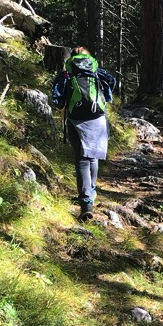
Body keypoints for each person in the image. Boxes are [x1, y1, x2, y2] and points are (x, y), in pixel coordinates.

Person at [51, 47, 117, 220]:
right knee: (93, 157)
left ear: (72, 59)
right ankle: (91, 193)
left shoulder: (67, 75)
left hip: (75, 119)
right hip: (97, 118)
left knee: (81, 158)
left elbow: (57, 100)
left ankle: (86, 202)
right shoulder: (96, 72)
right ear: (89, 59)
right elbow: (111, 84)